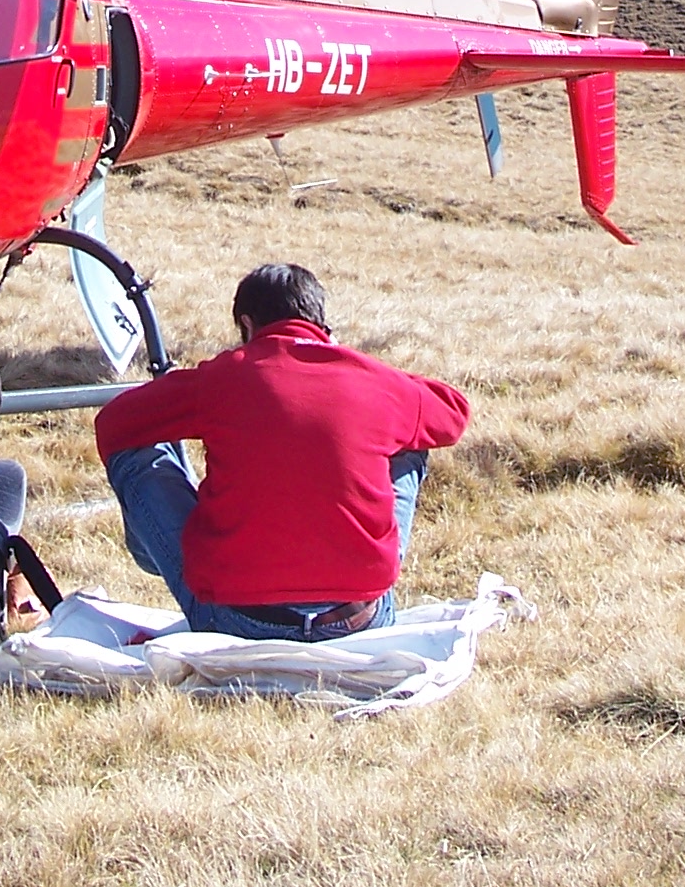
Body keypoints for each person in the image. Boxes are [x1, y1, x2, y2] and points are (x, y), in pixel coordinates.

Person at [92, 263, 468, 641]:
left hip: (236, 623)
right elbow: (452, 412)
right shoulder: (373, 380)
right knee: (412, 444)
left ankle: (152, 556)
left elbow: (115, 422)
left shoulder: (225, 377)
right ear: (322, 324)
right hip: (360, 620)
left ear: (247, 325)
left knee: (136, 454)